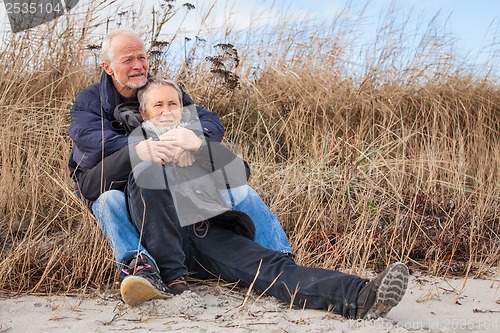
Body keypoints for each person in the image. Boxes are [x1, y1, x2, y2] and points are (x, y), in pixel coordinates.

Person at [123, 76, 409, 320]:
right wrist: (149, 155)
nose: (166, 111)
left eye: (173, 104)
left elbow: (239, 173)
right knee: (146, 172)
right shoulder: (133, 147)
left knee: (271, 268)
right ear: (145, 113)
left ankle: (360, 296)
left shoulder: (194, 141)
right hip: (163, 245)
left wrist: (199, 148)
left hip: (206, 233)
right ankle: (174, 280)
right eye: (158, 105)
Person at [67, 29, 291, 304]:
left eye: (142, 57)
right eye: (127, 60)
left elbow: (208, 120)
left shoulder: (160, 89)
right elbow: (91, 138)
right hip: (112, 178)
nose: (138, 65)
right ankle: (139, 266)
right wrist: (139, 148)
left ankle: (281, 259)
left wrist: (193, 140)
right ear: (108, 67)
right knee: (109, 202)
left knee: (245, 193)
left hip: (169, 176)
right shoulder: (89, 100)